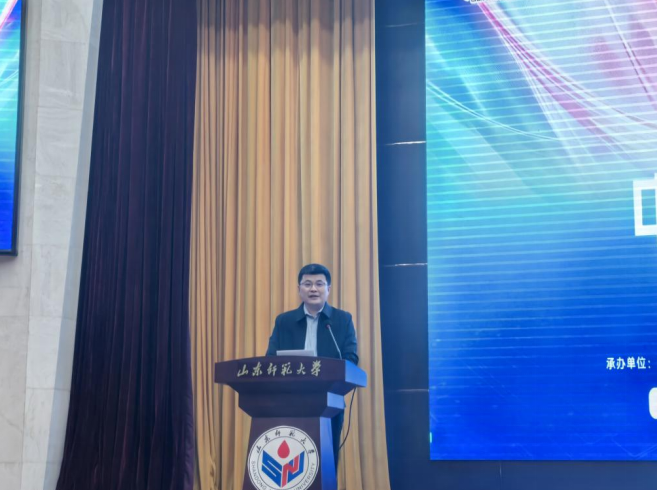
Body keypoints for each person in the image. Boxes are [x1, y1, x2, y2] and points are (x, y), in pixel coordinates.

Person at [266, 263, 358, 468]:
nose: (313, 289)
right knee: (291, 462)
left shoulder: (342, 320)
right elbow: (270, 359)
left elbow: (351, 359)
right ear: (299, 289)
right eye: (307, 284)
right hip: (290, 401)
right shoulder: (284, 321)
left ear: (328, 289)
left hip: (329, 401)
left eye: (319, 284)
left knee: (326, 463)